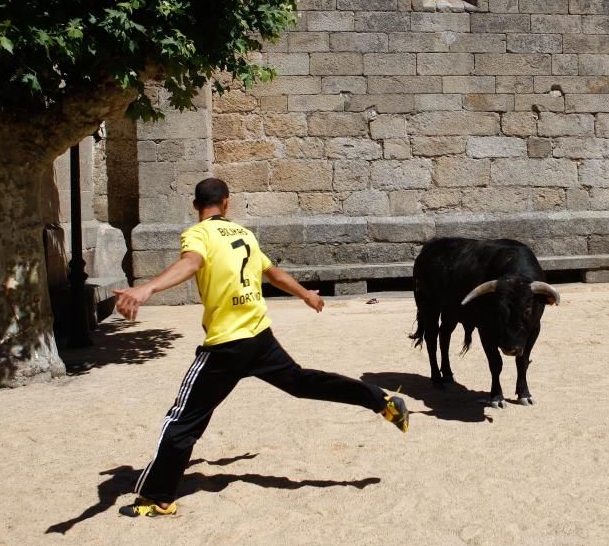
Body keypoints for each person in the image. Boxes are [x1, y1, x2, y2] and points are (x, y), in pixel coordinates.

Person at [114, 177, 409, 518]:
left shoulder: (198, 234)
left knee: (182, 419)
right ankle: (380, 400)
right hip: (259, 339)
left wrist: (146, 288)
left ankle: (156, 496)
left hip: (226, 347)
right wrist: (306, 294)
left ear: (195, 206)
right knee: (303, 382)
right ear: (227, 203)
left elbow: (191, 263)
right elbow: (274, 273)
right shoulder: (244, 235)